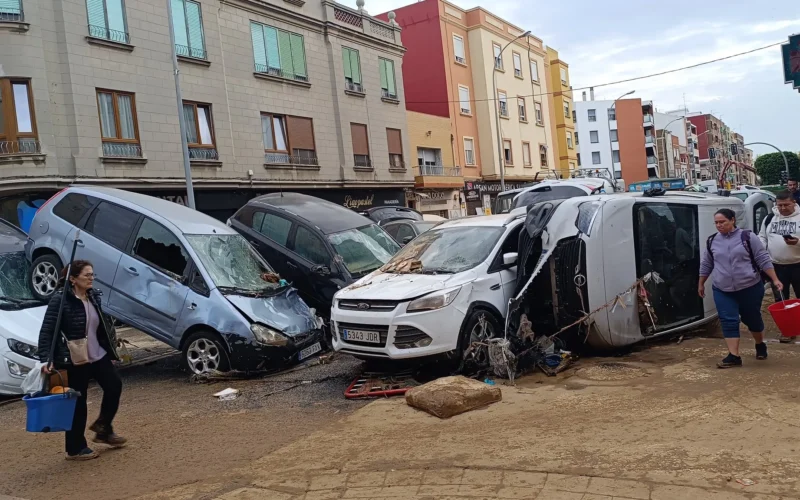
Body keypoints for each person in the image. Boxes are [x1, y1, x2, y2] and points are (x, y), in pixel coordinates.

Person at [36, 260, 126, 461]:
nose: (91, 278)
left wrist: (110, 349)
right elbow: (47, 331)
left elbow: (102, 326)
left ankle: (103, 428)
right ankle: (75, 448)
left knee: (114, 385)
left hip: (97, 354)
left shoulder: (93, 296)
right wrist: (46, 359)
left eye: (92, 274)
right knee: (78, 401)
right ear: (73, 279)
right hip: (74, 357)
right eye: (87, 275)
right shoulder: (60, 301)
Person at [698, 209, 783, 368]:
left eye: (722, 222)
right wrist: (701, 283)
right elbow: (707, 263)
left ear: (732, 220)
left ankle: (760, 344)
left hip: (749, 287)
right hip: (722, 288)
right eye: (716, 223)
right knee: (728, 320)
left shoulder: (748, 237)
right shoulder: (712, 241)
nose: (719, 225)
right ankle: (734, 356)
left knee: (752, 319)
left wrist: (775, 279)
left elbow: (762, 258)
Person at [759, 190, 800, 343]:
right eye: (779, 205)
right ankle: (788, 330)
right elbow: (762, 237)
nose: (782, 208)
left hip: (798, 265)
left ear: (794, 203)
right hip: (776, 266)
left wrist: (797, 242)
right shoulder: (769, 218)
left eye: (786, 205)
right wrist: (760, 250)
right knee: (781, 300)